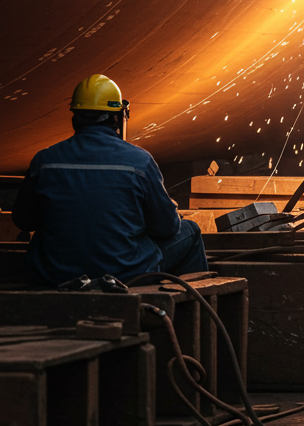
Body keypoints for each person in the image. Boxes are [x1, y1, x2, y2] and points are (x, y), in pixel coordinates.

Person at [12, 73, 208, 287]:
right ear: (116, 118)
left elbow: (23, 220)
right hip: (126, 273)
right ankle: (185, 313)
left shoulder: (44, 161)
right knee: (191, 231)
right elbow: (168, 228)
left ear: (74, 117)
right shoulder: (139, 161)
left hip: (54, 273)